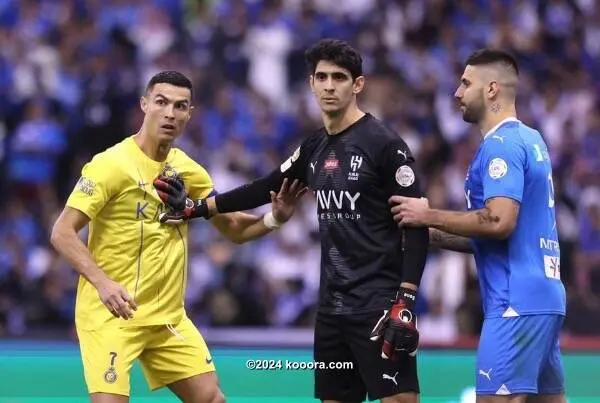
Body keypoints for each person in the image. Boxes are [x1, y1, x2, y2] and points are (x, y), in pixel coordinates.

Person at [154, 39, 429, 403]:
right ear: (311, 84)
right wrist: (196, 209)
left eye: (339, 77)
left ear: (357, 85)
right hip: (331, 311)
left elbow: (417, 225)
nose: (329, 86)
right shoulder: (314, 147)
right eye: (322, 77)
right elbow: (266, 186)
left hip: (378, 307)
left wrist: (406, 299)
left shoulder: (384, 146)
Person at [50, 71, 306, 403]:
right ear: (145, 105)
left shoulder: (188, 171)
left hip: (166, 318)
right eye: (161, 102)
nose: (170, 113)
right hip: (111, 313)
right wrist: (103, 283)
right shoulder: (109, 166)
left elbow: (234, 230)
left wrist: (275, 218)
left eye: (180, 106)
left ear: (190, 114)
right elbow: (62, 233)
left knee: (211, 398)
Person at [390, 49, 567, 403]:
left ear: (492, 89)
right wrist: (427, 233)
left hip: (513, 302)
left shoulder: (500, 147)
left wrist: (429, 214)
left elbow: (499, 221)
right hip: (544, 297)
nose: (457, 92)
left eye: (465, 83)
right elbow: (493, 235)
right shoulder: (532, 139)